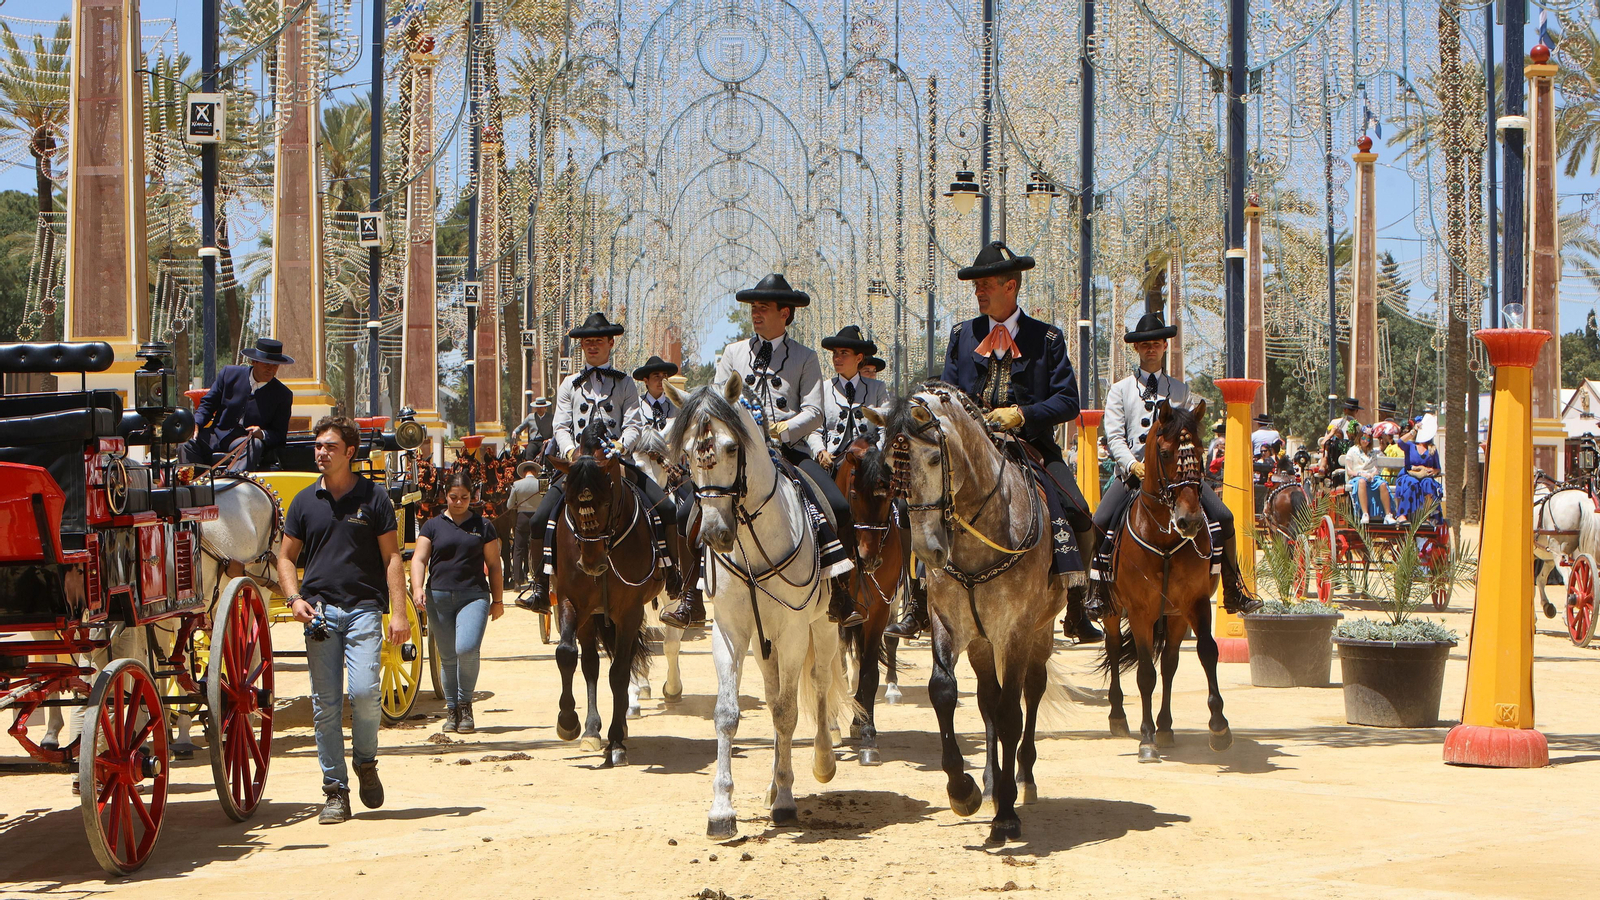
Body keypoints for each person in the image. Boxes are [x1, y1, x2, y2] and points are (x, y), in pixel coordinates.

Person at [889, 241, 1097, 640]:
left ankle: (1077, 605)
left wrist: (1022, 414)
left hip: (1029, 445)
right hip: (967, 451)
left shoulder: (1047, 339)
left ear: (1011, 287)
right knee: (912, 506)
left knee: (1077, 510)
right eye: (977, 286)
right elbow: (945, 394)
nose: (979, 292)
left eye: (986, 284)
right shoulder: (962, 336)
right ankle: (916, 601)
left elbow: (1068, 400)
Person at [661, 273, 859, 630]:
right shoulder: (733, 353)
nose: (756, 313)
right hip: (736, 455)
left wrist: (784, 429)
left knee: (838, 506)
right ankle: (690, 595)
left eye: (764, 307)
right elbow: (715, 404)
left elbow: (814, 411)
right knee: (687, 512)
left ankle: (841, 593)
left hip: (788, 452)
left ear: (785, 313)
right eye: (754, 307)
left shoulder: (806, 357)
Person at [276, 416, 410, 824]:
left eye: (329, 446)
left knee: (367, 693)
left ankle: (366, 762)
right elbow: (285, 557)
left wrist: (399, 611)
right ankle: (335, 791)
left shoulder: (375, 498)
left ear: (350, 452)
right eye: (318, 446)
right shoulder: (302, 502)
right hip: (318, 613)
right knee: (325, 705)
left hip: (364, 610)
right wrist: (293, 598)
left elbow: (392, 556)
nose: (321, 452)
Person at [1090, 312, 1255, 616]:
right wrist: (1132, 465)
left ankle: (1233, 588)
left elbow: (1188, 435)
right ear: (1136, 350)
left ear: (1165, 346)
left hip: (1179, 475)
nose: (1150, 349)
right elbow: (1114, 437)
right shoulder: (1120, 389)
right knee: (1100, 521)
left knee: (1225, 517)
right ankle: (1098, 591)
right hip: (1134, 474)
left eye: (1155, 344)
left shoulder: (1180, 391)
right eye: (1144, 345)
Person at [517, 312, 679, 614]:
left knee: (667, 509)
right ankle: (540, 588)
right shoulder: (569, 385)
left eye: (598, 341)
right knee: (540, 519)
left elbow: (633, 424)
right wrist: (571, 455)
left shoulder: (626, 384)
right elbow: (561, 427)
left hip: (616, 463)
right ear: (582, 347)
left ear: (610, 343)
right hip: (578, 467)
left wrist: (619, 448)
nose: (592, 346)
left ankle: (671, 572)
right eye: (587, 342)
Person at [411, 470, 504, 734]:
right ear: (445, 496)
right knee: (448, 656)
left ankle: (466, 704)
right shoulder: (431, 526)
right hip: (438, 596)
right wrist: (417, 588)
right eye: (453, 497)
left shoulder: (483, 526)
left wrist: (498, 600)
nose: (459, 502)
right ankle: (452, 710)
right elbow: (419, 559)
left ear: (472, 496)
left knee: (466, 648)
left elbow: (494, 565)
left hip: (473, 595)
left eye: (464, 497)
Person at [180, 338, 294, 471]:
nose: (271, 369)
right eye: (266, 364)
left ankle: (232, 485)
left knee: (254, 444)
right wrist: (196, 424)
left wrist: (262, 434)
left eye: (275, 365)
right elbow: (208, 404)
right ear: (254, 361)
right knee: (186, 441)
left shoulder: (283, 395)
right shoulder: (229, 374)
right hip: (216, 435)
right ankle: (195, 485)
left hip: (244, 442)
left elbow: (279, 435)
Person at [811, 325, 890, 468]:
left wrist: (877, 452)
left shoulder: (877, 388)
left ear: (859, 358)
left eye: (844, 353)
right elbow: (814, 429)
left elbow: (885, 426)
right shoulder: (823, 388)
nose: (837, 358)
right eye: (835, 353)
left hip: (870, 462)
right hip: (832, 461)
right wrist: (820, 451)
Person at [1339, 427, 1396, 525]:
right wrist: (1361, 474)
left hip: (1371, 476)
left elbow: (1375, 468)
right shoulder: (1352, 451)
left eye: (1368, 439)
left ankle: (1388, 514)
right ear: (1359, 438)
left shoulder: (1372, 452)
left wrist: (1372, 474)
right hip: (1357, 476)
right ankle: (1365, 514)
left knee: (1382, 484)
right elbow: (1349, 471)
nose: (1365, 441)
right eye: (1363, 438)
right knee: (1362, 482)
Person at [1394, 415, 1443, 523]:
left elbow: (1438, 468)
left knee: (1428, 483)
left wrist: (1433, 471)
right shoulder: (1410, 445)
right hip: (1409, 475)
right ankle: (1402, 515)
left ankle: (1426, 516)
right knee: (1412, 483)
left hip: (1425, 476)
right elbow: (1400, 442)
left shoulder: (1432, 449)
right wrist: (1414, 430)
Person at [506, 461, 545, 586]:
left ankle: (517, 581)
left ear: (524, 472)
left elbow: (509, 505)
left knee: (518, 548)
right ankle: (539, 577)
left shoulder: (517, 484)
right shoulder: (542, 484)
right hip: (538, 517)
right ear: (534, 472)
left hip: (522, 517)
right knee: (539, 547)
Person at [633, 355, 680, 431]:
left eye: (664, 376)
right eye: (657, 376)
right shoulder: (636, 406)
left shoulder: (675, 407)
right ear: (646, 381)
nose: (662, 380)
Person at [511, 396, 554, 461]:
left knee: (545, 453)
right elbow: (522, 426)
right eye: (538, 407)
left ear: (545, 407)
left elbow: (555, 429)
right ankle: (530, 468)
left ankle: (544, 469)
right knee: (529, 452)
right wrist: (515, 432)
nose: (539, 409)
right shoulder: (530, 417)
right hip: (533, 442)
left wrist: (551, 439)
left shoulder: (551, 417)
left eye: (541, 407)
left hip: (544, 442)